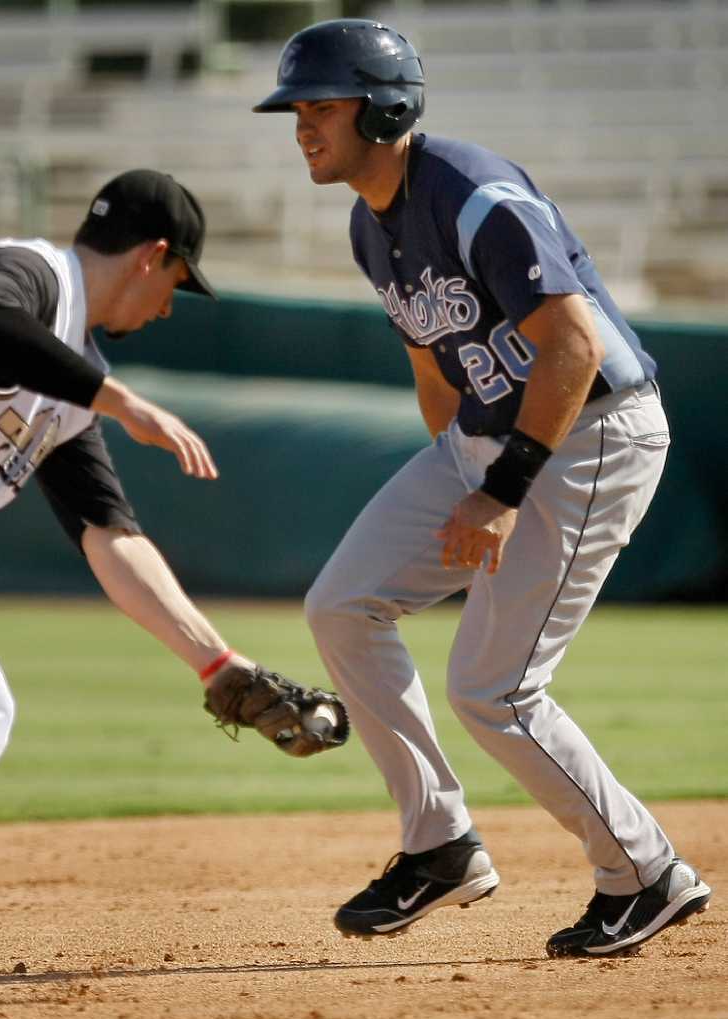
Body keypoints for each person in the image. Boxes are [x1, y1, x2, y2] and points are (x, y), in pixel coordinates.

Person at [0, 169, 334, 1005]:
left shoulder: (71, 374)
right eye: (177, 285)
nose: (167, 308)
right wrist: (119, 400)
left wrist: (214, 662)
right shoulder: (27, 271)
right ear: (154, 257)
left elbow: (109, 536)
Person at [254, 19, 712, 957]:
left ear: (384, 110)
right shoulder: (368, 225)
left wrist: (501, 493)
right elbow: (436, 372)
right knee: (343, 605)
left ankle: (645, 872)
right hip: (487, 439)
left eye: (322, 107)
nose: (302, 126)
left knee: (493, 687)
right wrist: (460, 479)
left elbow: (574, 349)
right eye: (296, 109)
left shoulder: (473, 196)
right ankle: (440, 846)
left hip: (591, 438)